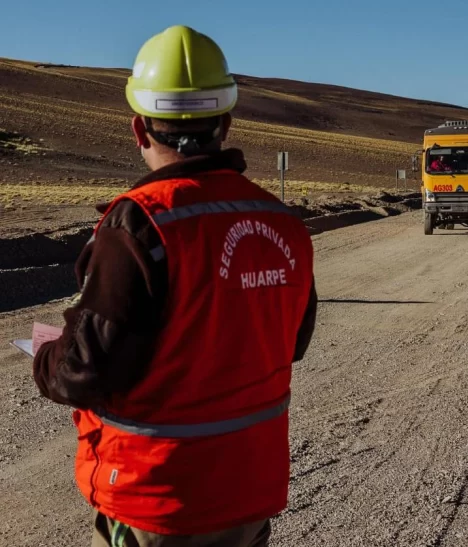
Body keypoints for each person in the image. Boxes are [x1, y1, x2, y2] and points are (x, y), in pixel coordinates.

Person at [32, 25, 317, 547]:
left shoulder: (140, 224)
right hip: (247, 499)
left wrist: (47, 353)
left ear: (140, 130)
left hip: (157, 503)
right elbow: (289, 341)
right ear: (225, 123)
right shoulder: (283, 223)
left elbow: (82, 371)